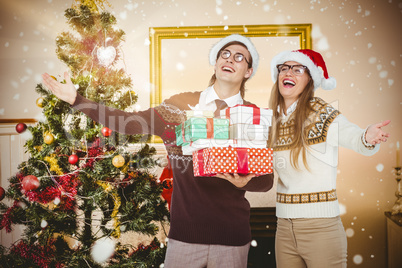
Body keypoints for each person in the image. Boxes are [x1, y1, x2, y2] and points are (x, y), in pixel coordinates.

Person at [42, 34, 274, 268]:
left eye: (239, 57)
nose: (230, 60)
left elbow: (266, 180)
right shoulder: (180, 105)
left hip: (232, 237)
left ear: (248, 72)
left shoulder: (253, 116)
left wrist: (244, 182)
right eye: (225, 54)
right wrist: (77, 100)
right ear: (215, 62)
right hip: (185, 237)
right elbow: (129, 122)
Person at [267, 49, 390, 268]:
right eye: (284, 68)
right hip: (284, 228)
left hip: (320, 228)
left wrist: (366, 136)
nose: (289, 73)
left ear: (310, 79)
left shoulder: (320, 112)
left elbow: (350, 134)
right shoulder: (274, 120)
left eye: (298, 69)